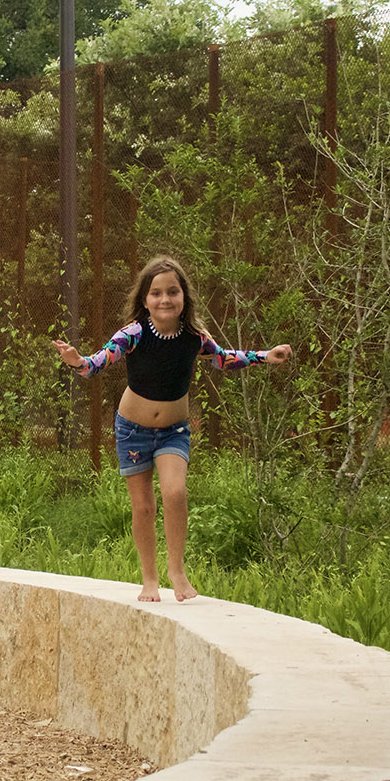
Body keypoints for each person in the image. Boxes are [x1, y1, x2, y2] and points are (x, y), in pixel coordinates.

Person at [53, 256, 290, 602]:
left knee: (175, 493)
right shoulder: (133, 334)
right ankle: (149, 579)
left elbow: (224, 358)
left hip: (173, 431)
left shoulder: (194, 337)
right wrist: (77, 362)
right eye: (156, 293)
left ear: (184, 297)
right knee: (143, 507)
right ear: (145, 300)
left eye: (172, 292)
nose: (165, 299)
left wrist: (264, 356)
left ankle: (176, 571)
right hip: (132, 430)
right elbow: (96, 364)